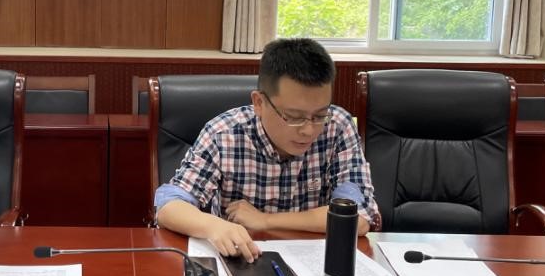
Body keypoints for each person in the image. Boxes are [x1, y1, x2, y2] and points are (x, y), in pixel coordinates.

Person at [154, 37, 379, 262]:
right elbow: (168, 206)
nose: (309, 130)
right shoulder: (223, 134)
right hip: (243, 262)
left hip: (316, 264)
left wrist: (265, 220)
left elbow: (358, 217)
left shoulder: (338, 127)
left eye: (320, 115)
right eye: (294, 117)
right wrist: (214, 226)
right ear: (259, 103)